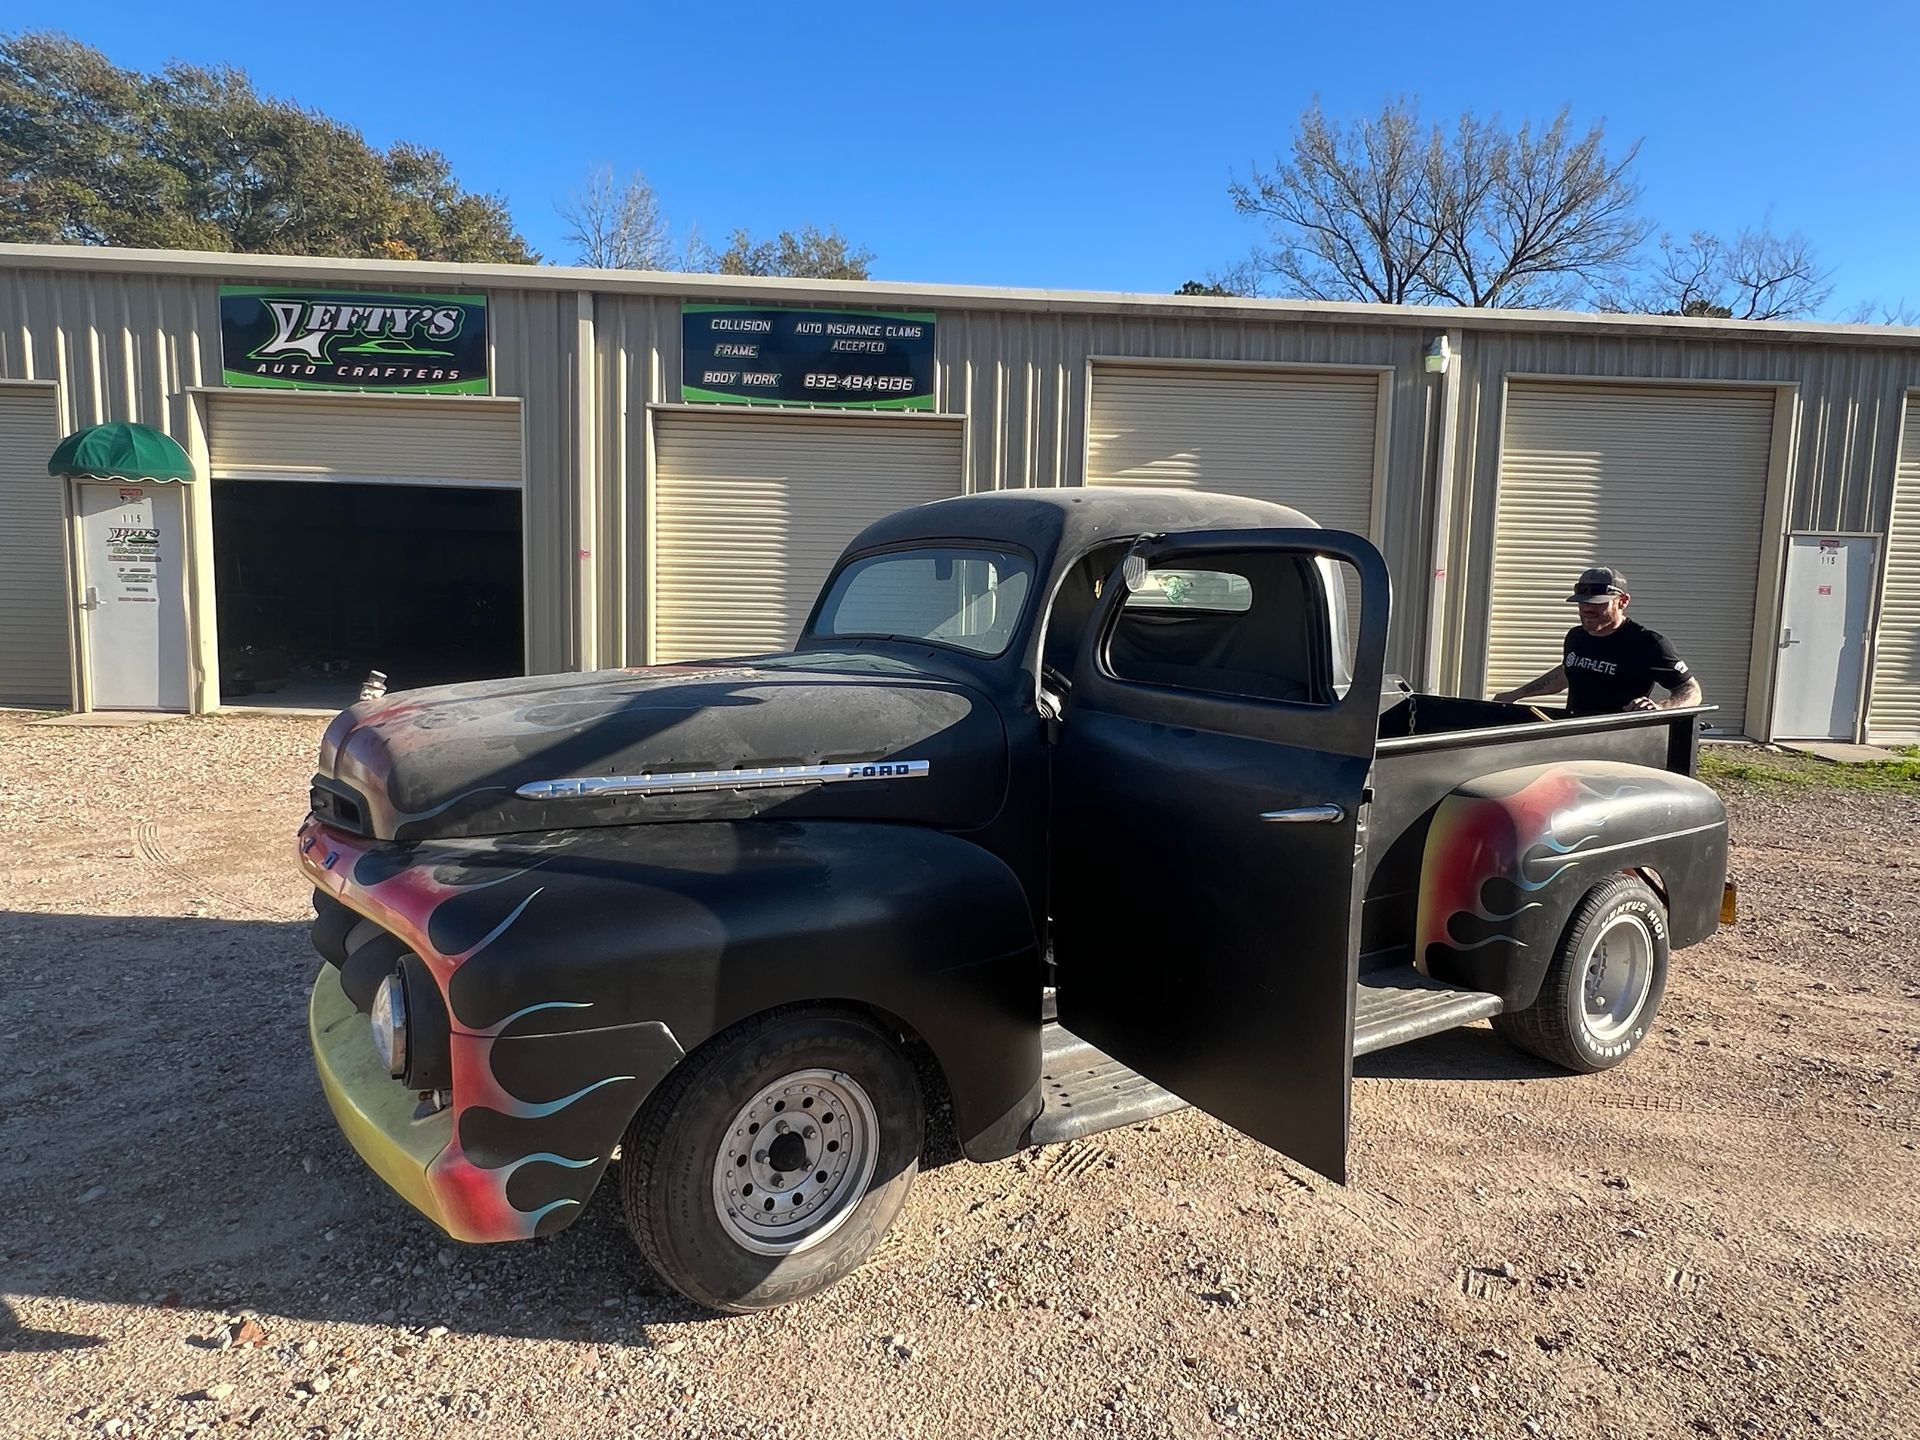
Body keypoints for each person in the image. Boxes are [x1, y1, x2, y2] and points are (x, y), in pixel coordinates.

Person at [1493, 566, 1704, 715]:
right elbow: (1568, 672)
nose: (1587, 609)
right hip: (1575, 734)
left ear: (1623, 602)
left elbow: (1691, 691)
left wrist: (1660, 709)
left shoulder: (1649, 644)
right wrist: (1516, 694)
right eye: (1582, 603)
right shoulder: (1576, 637)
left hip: (1622, 741)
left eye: (1597, 603)